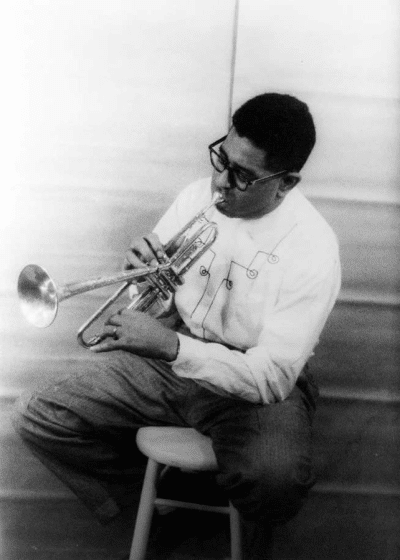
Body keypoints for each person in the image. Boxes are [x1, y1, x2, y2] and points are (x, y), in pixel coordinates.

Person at [13, 93, 341, 559]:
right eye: (222, 160)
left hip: (252, 386)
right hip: (173, 357)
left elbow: (271, 377)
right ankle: (168, 519)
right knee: (38, 414)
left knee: (275, 482)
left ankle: (229, 517)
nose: (220, 183)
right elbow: (148, 303)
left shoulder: (313, 248)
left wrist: (170, 347)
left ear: (286, 183)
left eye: (243, 176)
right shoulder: (196, 197)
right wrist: (141, 278)